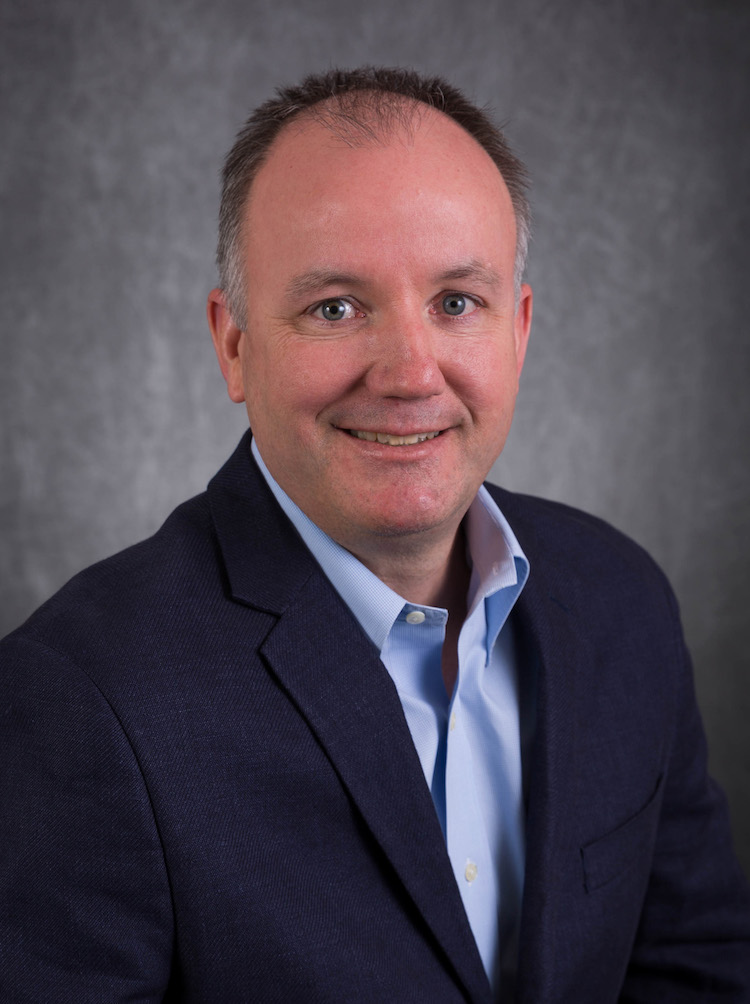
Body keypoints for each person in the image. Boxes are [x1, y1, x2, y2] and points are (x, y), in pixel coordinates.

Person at [1, 66, 748, 1004]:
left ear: (518, 331)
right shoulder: (78, 700)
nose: (409, 373)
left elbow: (695, 969)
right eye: (336, 308)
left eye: (456, 302)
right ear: (234, 345)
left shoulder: (621, 599)